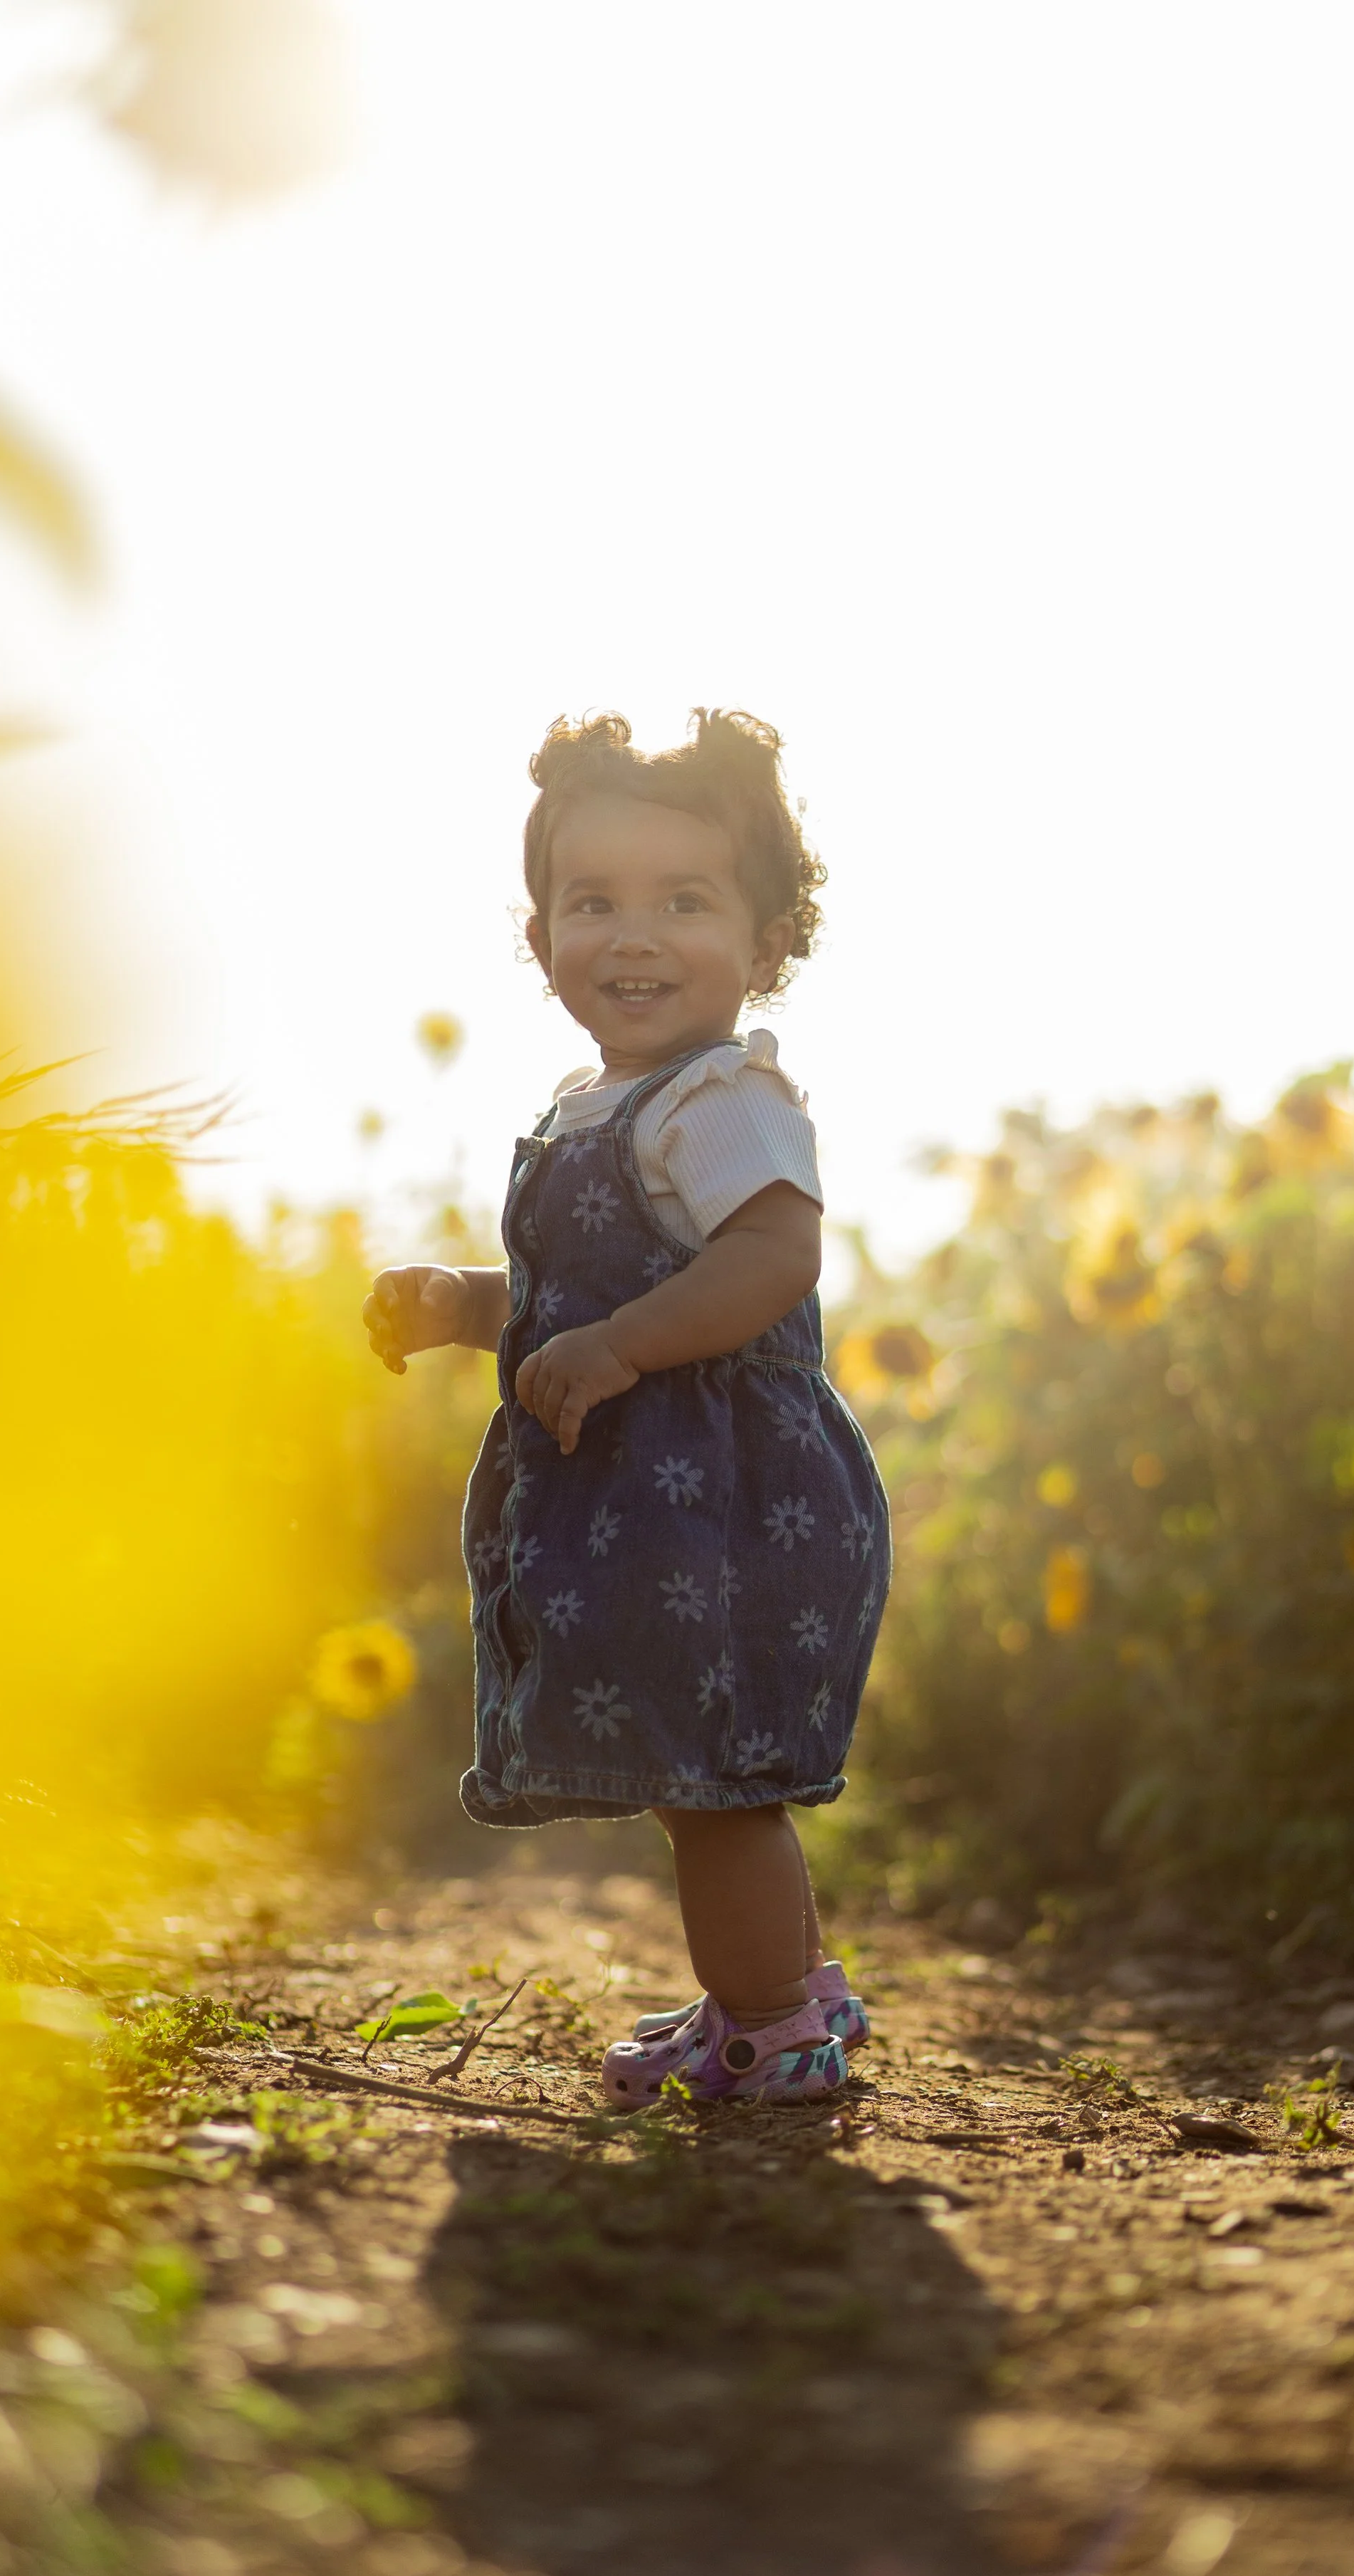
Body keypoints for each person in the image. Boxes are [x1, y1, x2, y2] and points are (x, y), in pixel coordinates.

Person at [364, 709, 889, 2104]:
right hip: (652, 1496)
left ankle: (769, 2029)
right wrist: (468, 1303)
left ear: (767, 940)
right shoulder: (595, 1103)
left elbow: (772, 1257)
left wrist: (617, 1350)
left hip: (727, 1492)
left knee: (717, 1787)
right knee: (704, 1770)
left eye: (683, 900)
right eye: (591, 901)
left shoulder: (725, 1097)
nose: (632, 934)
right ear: (539, 940)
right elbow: (573, 1294)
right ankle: (786, 1994)